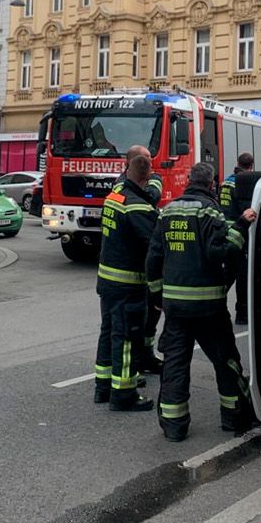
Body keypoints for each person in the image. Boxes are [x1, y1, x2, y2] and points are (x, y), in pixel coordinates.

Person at [146, 162, 259, 441]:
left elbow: (153, 259)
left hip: (175, 307)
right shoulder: (210, 211)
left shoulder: (168, 211)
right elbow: (221, 253)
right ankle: (234, 417)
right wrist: (241, 226)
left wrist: (157, 297)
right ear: (211, 184)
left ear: (188, 181)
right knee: (226, 360)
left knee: (175, 363)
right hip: (208, 306)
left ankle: (174, 425)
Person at [93, 146, 163, 410]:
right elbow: (154, 247)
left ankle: (103, 386)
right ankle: (124, 394)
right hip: (128, 284)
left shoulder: (116, 194)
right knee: (125, 339)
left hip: (107, 281)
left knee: (108, 331)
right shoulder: (137, 207)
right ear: (146, 178)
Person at [218, 152, 261, 325]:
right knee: (242, 275)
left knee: (227, 273)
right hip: (241, 232)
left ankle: (215, 302)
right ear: (251, 165)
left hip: (226, 231)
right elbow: (248, 208)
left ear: (237, 163)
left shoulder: (226, 182)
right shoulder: (247, 183)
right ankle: (242, 313)